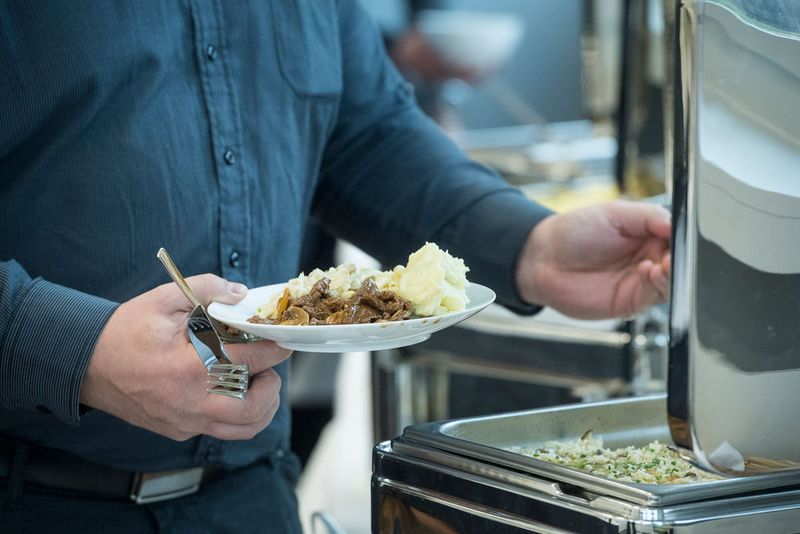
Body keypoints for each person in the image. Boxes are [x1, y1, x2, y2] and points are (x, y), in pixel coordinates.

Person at [0, 1, 670, 532]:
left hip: (251, 502)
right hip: (33, 498)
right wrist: (80, 352)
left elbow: (368, 139)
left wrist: (531, 245)